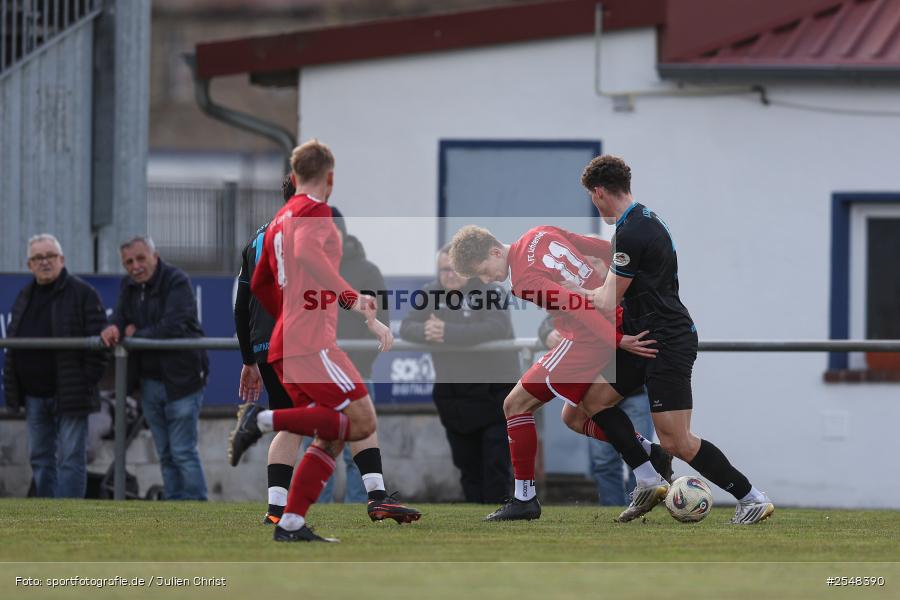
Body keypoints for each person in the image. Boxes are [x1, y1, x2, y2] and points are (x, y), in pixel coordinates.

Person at [227, 139, 420, 542]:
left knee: (332, 433)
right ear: (330, 178)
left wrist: (287, 314)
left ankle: (291, 523)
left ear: (294, 176)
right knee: (363, 418)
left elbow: (260, 281)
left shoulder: (279, 220)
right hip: (312, 341)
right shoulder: (316, 211)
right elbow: (310, 256)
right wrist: (351, 300)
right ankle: (261, 420)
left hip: (289, 337)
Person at [576, 154, 774, 524]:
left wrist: (563, 292)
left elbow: (606, 300)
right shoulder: (643, 218)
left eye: (591, 195)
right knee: (593, 401)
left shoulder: (631, 231)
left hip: (666, 341)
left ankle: (751, 498)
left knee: (676, 442)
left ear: (598, 192)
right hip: (643, 338)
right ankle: (648, 477)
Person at [449, 224, 671, 521]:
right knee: (574, 417)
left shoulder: (523, 279)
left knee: (514, 404)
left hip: (588, 335)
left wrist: (614, 339)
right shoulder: (539, 232)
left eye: (483, 271)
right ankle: (649, 455)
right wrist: (631, 271)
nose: (487, 280)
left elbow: (575, 304)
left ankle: (524, 498)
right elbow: (595, 246)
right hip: (610, 317)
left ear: (494, 250)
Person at [400, 245, 518, 504]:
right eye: (444, 270)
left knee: (496, 467)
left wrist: (448, 332)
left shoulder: (490, 291)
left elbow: (497, 328)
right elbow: (407, 326)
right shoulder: (430, 293)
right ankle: (475, 521)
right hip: (453, 396)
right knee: (466, 466)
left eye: (454, 269)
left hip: (494, 395)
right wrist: (425, 333)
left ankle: (502, 515)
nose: (449, 275)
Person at [100, 236, 209, 501]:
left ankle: (197, 507)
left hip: (183, 380)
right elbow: (120, 316)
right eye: (129, 262)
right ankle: (173, 506)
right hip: (150, 382)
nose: (135, 266)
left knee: (183, 450)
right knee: (165, 452)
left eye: (140, 258)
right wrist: (113, 326)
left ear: (155, 256)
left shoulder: (176, 280)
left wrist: (137, 334)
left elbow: (174, 325)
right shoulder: (129, 285)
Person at [3, 234, 108, 498]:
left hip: (70, 394)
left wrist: (84, 382)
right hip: (34, 395)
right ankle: (47, 513)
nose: (44, 262)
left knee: (71, 458)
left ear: (61, 259)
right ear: (29, 265)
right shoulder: (24, 296)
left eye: (50, 256)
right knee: (39, 457)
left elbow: (99, 345)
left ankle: (68, 516)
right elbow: (14, 344)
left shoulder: (83, 293)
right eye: (38, 258)